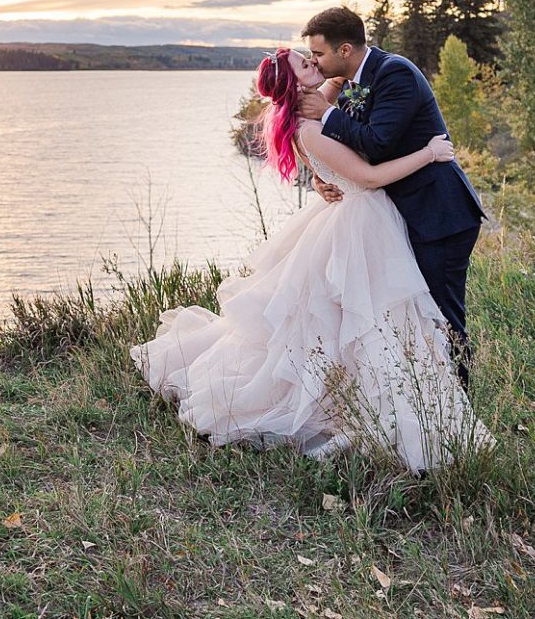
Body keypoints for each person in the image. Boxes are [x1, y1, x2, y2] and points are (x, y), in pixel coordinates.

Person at [130, 48, 487, 472]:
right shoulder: (310, 130)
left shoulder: (311, 112)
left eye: (313, 57)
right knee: (365, 322)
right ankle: (370, 410)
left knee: (360, 324)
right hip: (360, 225)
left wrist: (336, 83)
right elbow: (369, 178)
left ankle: (378, 399)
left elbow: (339, 78)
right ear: (296, 85)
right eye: (305, 64)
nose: (315, 65)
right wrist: (429, 153)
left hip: (361, 222)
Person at [297, 6, 486, 386]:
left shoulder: (394, 73)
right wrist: (321, 177)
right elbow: (351, 150)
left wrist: (329, 114)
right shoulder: (354, 80)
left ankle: (459, 401)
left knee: (442, 312)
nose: (314, 62)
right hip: (404, 212)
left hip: (439, 213)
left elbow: (378, 143)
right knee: (416, 312)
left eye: (318, 54)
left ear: (345, 49)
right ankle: (426, 394)